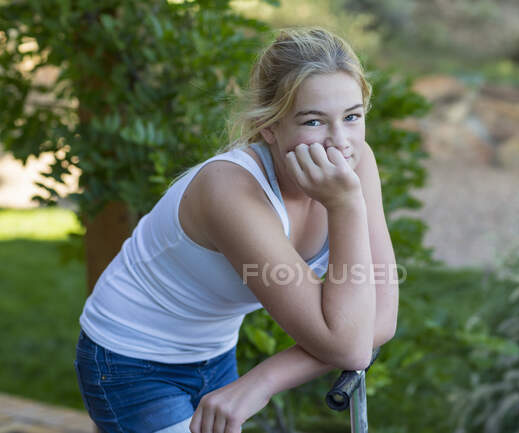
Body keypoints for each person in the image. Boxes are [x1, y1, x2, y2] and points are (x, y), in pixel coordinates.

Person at [74, 26, 399, 433]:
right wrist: (347, 203)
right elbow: (350, 344)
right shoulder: (230, 190)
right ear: (269, 126)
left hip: (215, 353)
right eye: (314, 122)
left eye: (352, 116)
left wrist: (261, 380)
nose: (339, 143)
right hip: (131, 360)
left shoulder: (355, 161)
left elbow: (380, 319)